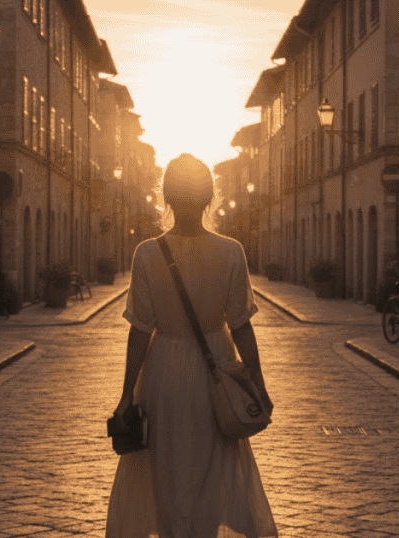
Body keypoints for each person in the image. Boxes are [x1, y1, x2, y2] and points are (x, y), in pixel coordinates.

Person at [106, 154, 277, 538]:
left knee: (166, 468)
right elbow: (242, 326)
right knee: (212, 469)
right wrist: (258, 384)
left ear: (166, 197)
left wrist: (126, 394)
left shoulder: (147, 253)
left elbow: (139, 331)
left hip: (163, 373)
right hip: (217, 372)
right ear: (209, 198)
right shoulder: (231, 251)